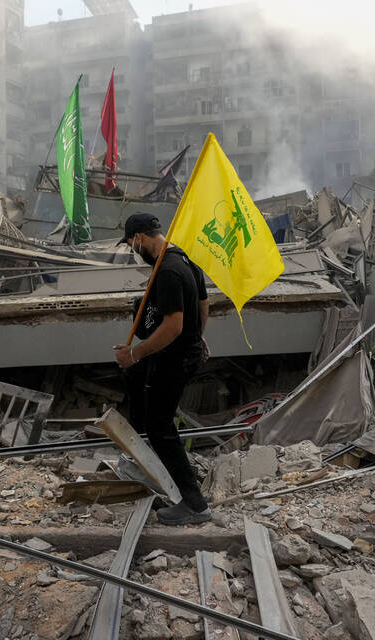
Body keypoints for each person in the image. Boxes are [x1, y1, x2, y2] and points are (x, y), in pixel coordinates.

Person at [113, 212, 211, 525]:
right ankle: (176, 481)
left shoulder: (167, 271)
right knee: (151, 412)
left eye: (131, 245)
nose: (133, 251)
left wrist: (135, 354)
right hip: (186, 352)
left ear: (139, 238)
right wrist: (200, 336)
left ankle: (194, 504)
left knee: (160, 427)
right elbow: (204, 303)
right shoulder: (183, 258)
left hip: (175, 358)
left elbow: (173, 325)